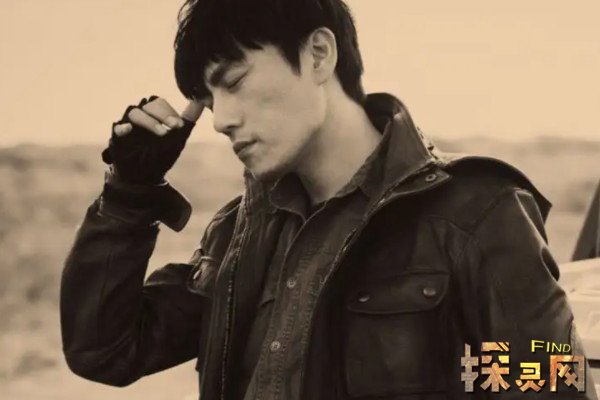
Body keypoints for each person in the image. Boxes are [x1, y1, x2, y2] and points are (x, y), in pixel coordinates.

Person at [60, 0, 598, 399]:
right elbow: (105, 350)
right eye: (208, 99)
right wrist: (130, 192)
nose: (220, 120)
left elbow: (553, 385)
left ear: (318, 54)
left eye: (234, 81)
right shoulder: (238, 234)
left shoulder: (475, 214)